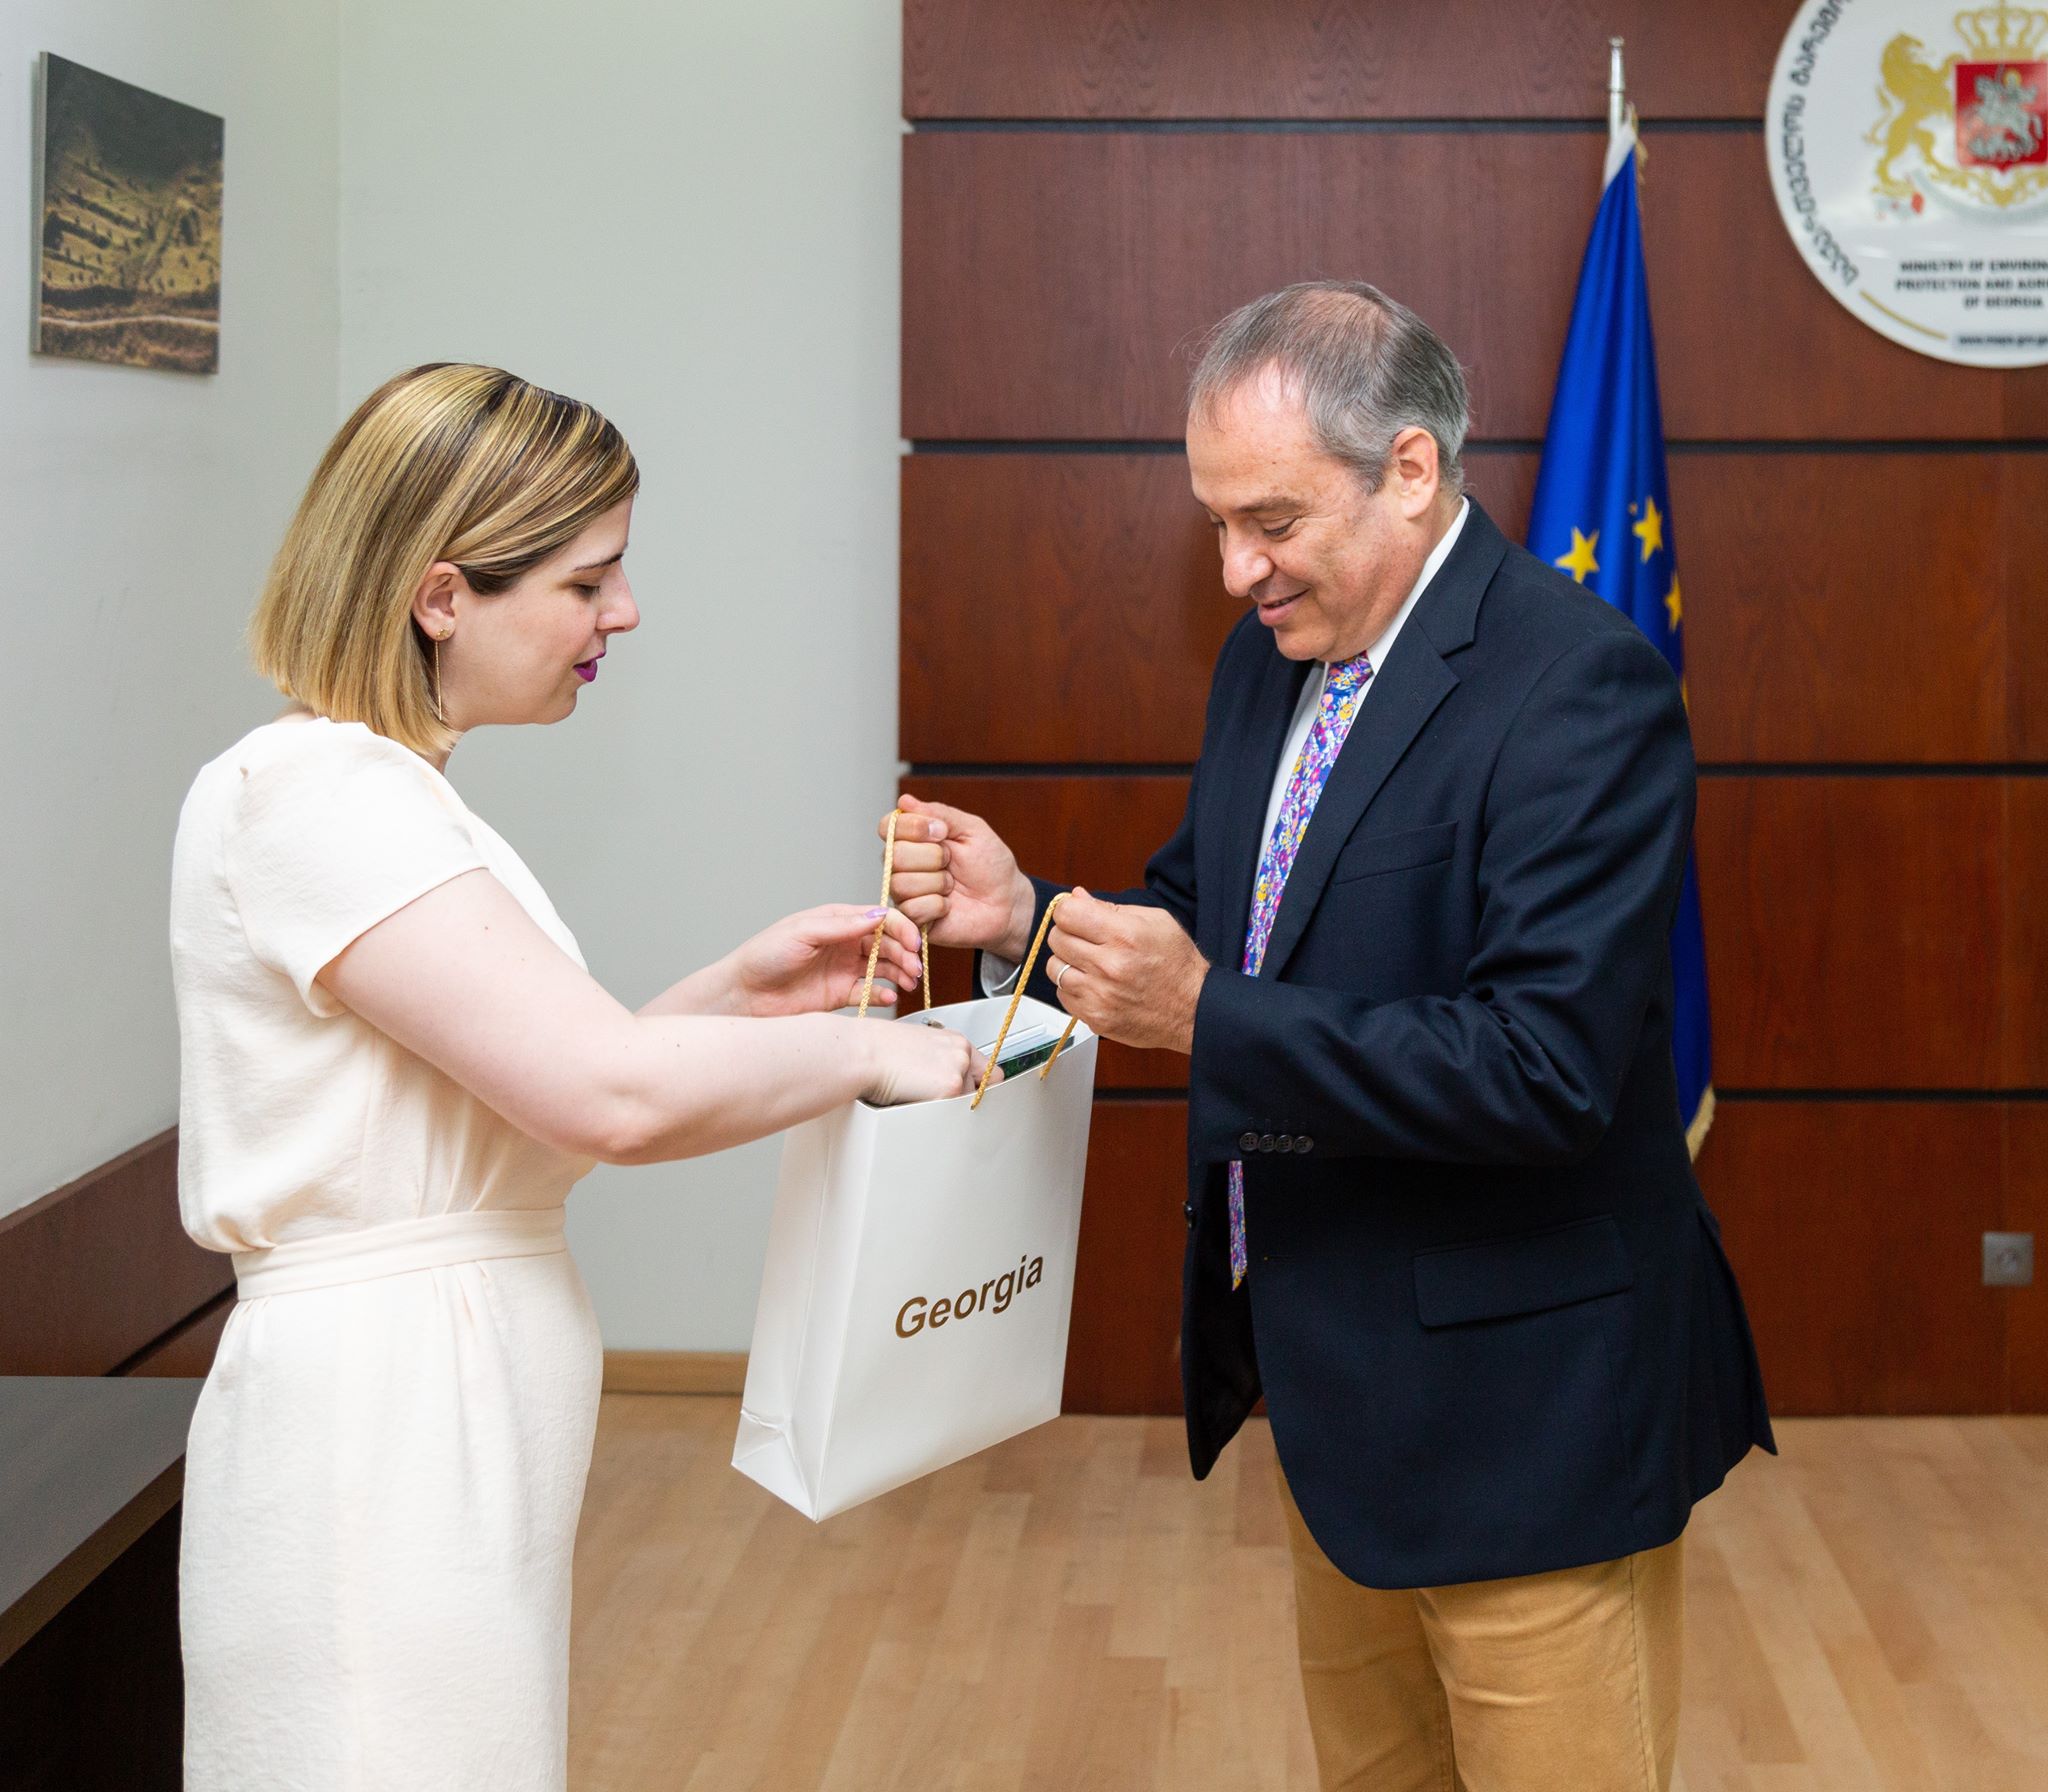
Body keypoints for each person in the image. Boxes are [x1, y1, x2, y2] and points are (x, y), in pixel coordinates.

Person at [883, 283, 1774, 1791]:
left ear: (1410, 471)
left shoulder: (1580, 687)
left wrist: (1205, 1015)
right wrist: (1021, 911)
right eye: (1216, 523)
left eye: (1273, 521)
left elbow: (1541, 1071)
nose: (1236, 569)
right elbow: (1224, 920)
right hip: (1337, 1395)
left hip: (1531, 1419)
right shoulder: (1270, 658)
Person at [169, 363, 982, 1791]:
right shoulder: (319, 796)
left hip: (431, 1410)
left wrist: (735, 997)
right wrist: (870, 1049)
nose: (625, 614)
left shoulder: (386, 792)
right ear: (441, 596)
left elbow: (517, 1110)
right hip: (376, 1433)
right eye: (588, 582)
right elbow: (604, 1096)